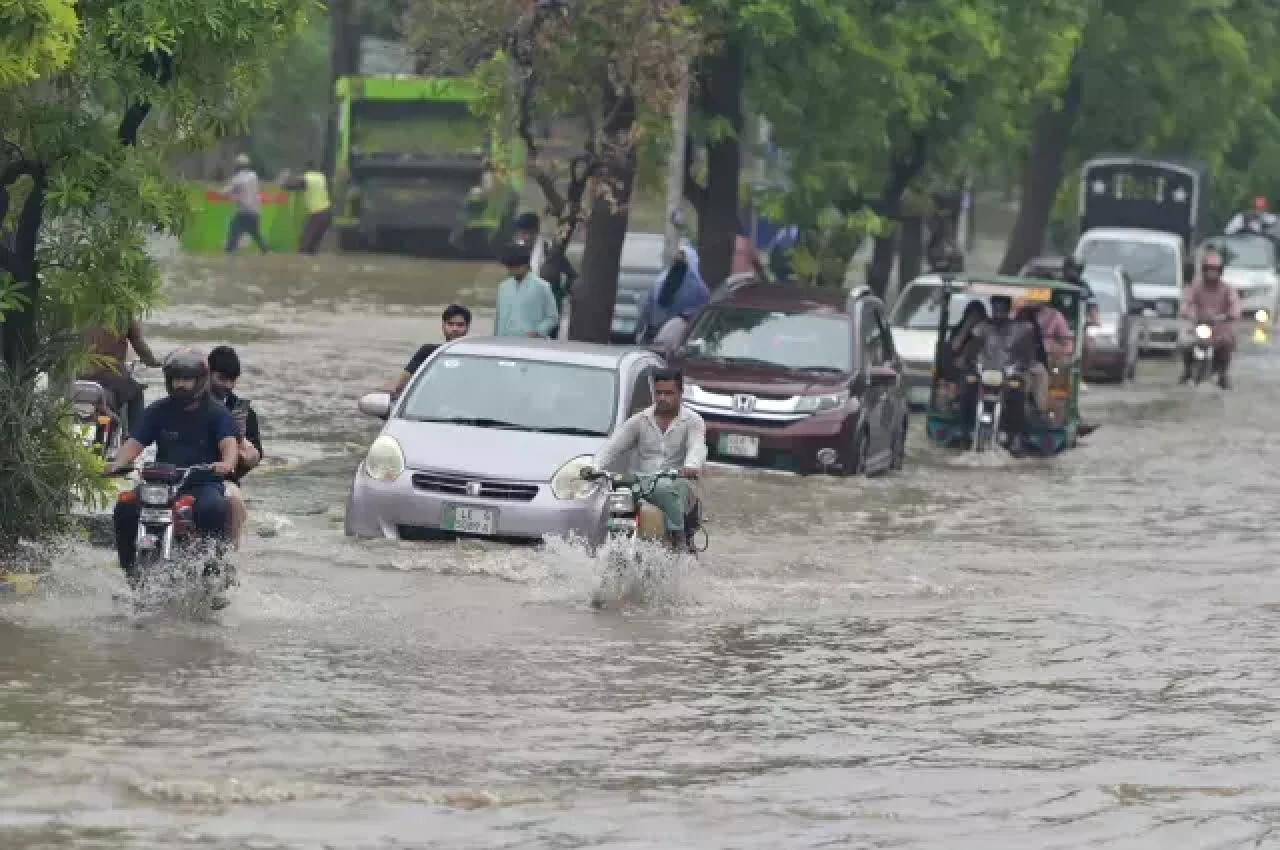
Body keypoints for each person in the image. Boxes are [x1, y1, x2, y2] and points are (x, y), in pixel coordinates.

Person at [105, 348, 238, 599]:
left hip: (202, 484)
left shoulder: (217, 412)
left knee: (214, 508)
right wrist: (117, 463)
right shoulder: (158, 410)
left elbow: (228, 444)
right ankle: (130, 572)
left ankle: (214, 572)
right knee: (125, 507)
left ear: (200, 380)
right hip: (161, 484)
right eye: (176, 379)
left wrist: (226, 463)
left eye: (186, 379)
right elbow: (135, 442)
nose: (180, 385)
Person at [589, 368, 707, 552]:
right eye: (658, 393)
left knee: (665, 488)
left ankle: (679, 540)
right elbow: (613, 447)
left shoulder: (693, 421)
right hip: (639, 481)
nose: (662, 398)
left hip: (676, 481)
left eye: (668, 393)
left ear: (680, 393)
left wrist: (691, 466)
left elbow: (697, 447)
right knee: (619, 493)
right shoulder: (640, 420)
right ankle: (614, 546)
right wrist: (593, 467)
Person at [208, 346, 263, 548]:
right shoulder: (188, 404)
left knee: (236, 502)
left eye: (232, 380)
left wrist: (244, 451)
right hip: (182, 474)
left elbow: (254, 459)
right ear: (207, 373)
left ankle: (229, 557)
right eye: (222, 378)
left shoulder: (242, 413)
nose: (228, 385)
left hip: (222, 480)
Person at [80, 317, 162, 431]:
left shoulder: (76, 308)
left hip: (77, 375)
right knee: (136, 393)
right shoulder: (122, 314)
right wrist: (153, 362)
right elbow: (138, 343)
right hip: (110, 375)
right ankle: (136, 438)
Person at [1179, 249, 1241, 388]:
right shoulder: (1196, 287)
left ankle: (1222, 373)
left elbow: (1235, 305)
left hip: (1220, 328)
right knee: (1185, 343)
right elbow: (1186, 302)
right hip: (1199, 326)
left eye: (1215, 270)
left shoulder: (1227, 288)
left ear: (1220, 271)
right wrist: (1189, 313)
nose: (1212, 273)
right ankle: (1188, 370)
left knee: (1227, 342)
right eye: (1209, 270)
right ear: (1203, 270)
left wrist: (1230, 314)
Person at [384, 304, 472, 397]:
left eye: (460, 325)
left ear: (467, 327)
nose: (455, 329)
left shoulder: (475, 355)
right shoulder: (428, 352)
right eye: (450, 324)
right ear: (443, 326)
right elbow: (400, 381)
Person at [636, 239, 711, 344]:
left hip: (653, 334)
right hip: (678, 338)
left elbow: (646, 307)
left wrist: (640, 330)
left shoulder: (660, 280)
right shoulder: (698, 288)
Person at [493, 242, 560, 338]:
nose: (510, 270)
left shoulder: (542, 286)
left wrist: (538, 331)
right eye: (508, 266)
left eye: (513, 267)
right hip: (503, 343)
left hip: (529, 344)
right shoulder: (502, 287)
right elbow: (498, 319)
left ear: (525, 265)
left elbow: (553, 317)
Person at [221, 153, 269, 254]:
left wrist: (220, 192)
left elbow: (226, 192)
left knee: (233, 231)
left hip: (243, 211)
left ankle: (229, 253)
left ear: (237, 166)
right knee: (256, 234)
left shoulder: (237, 178)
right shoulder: (254, 176)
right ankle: (266, 251)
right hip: (255, 212)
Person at [280, 162, 332, 254]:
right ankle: (310, 264)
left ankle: (301, 265)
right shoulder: (321, 176)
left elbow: (290, 186)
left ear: (306, 169)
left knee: (304, 244)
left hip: (317, 214)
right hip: (327, 214)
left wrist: (284, 180)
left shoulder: (307, 178)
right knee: (313, 245)